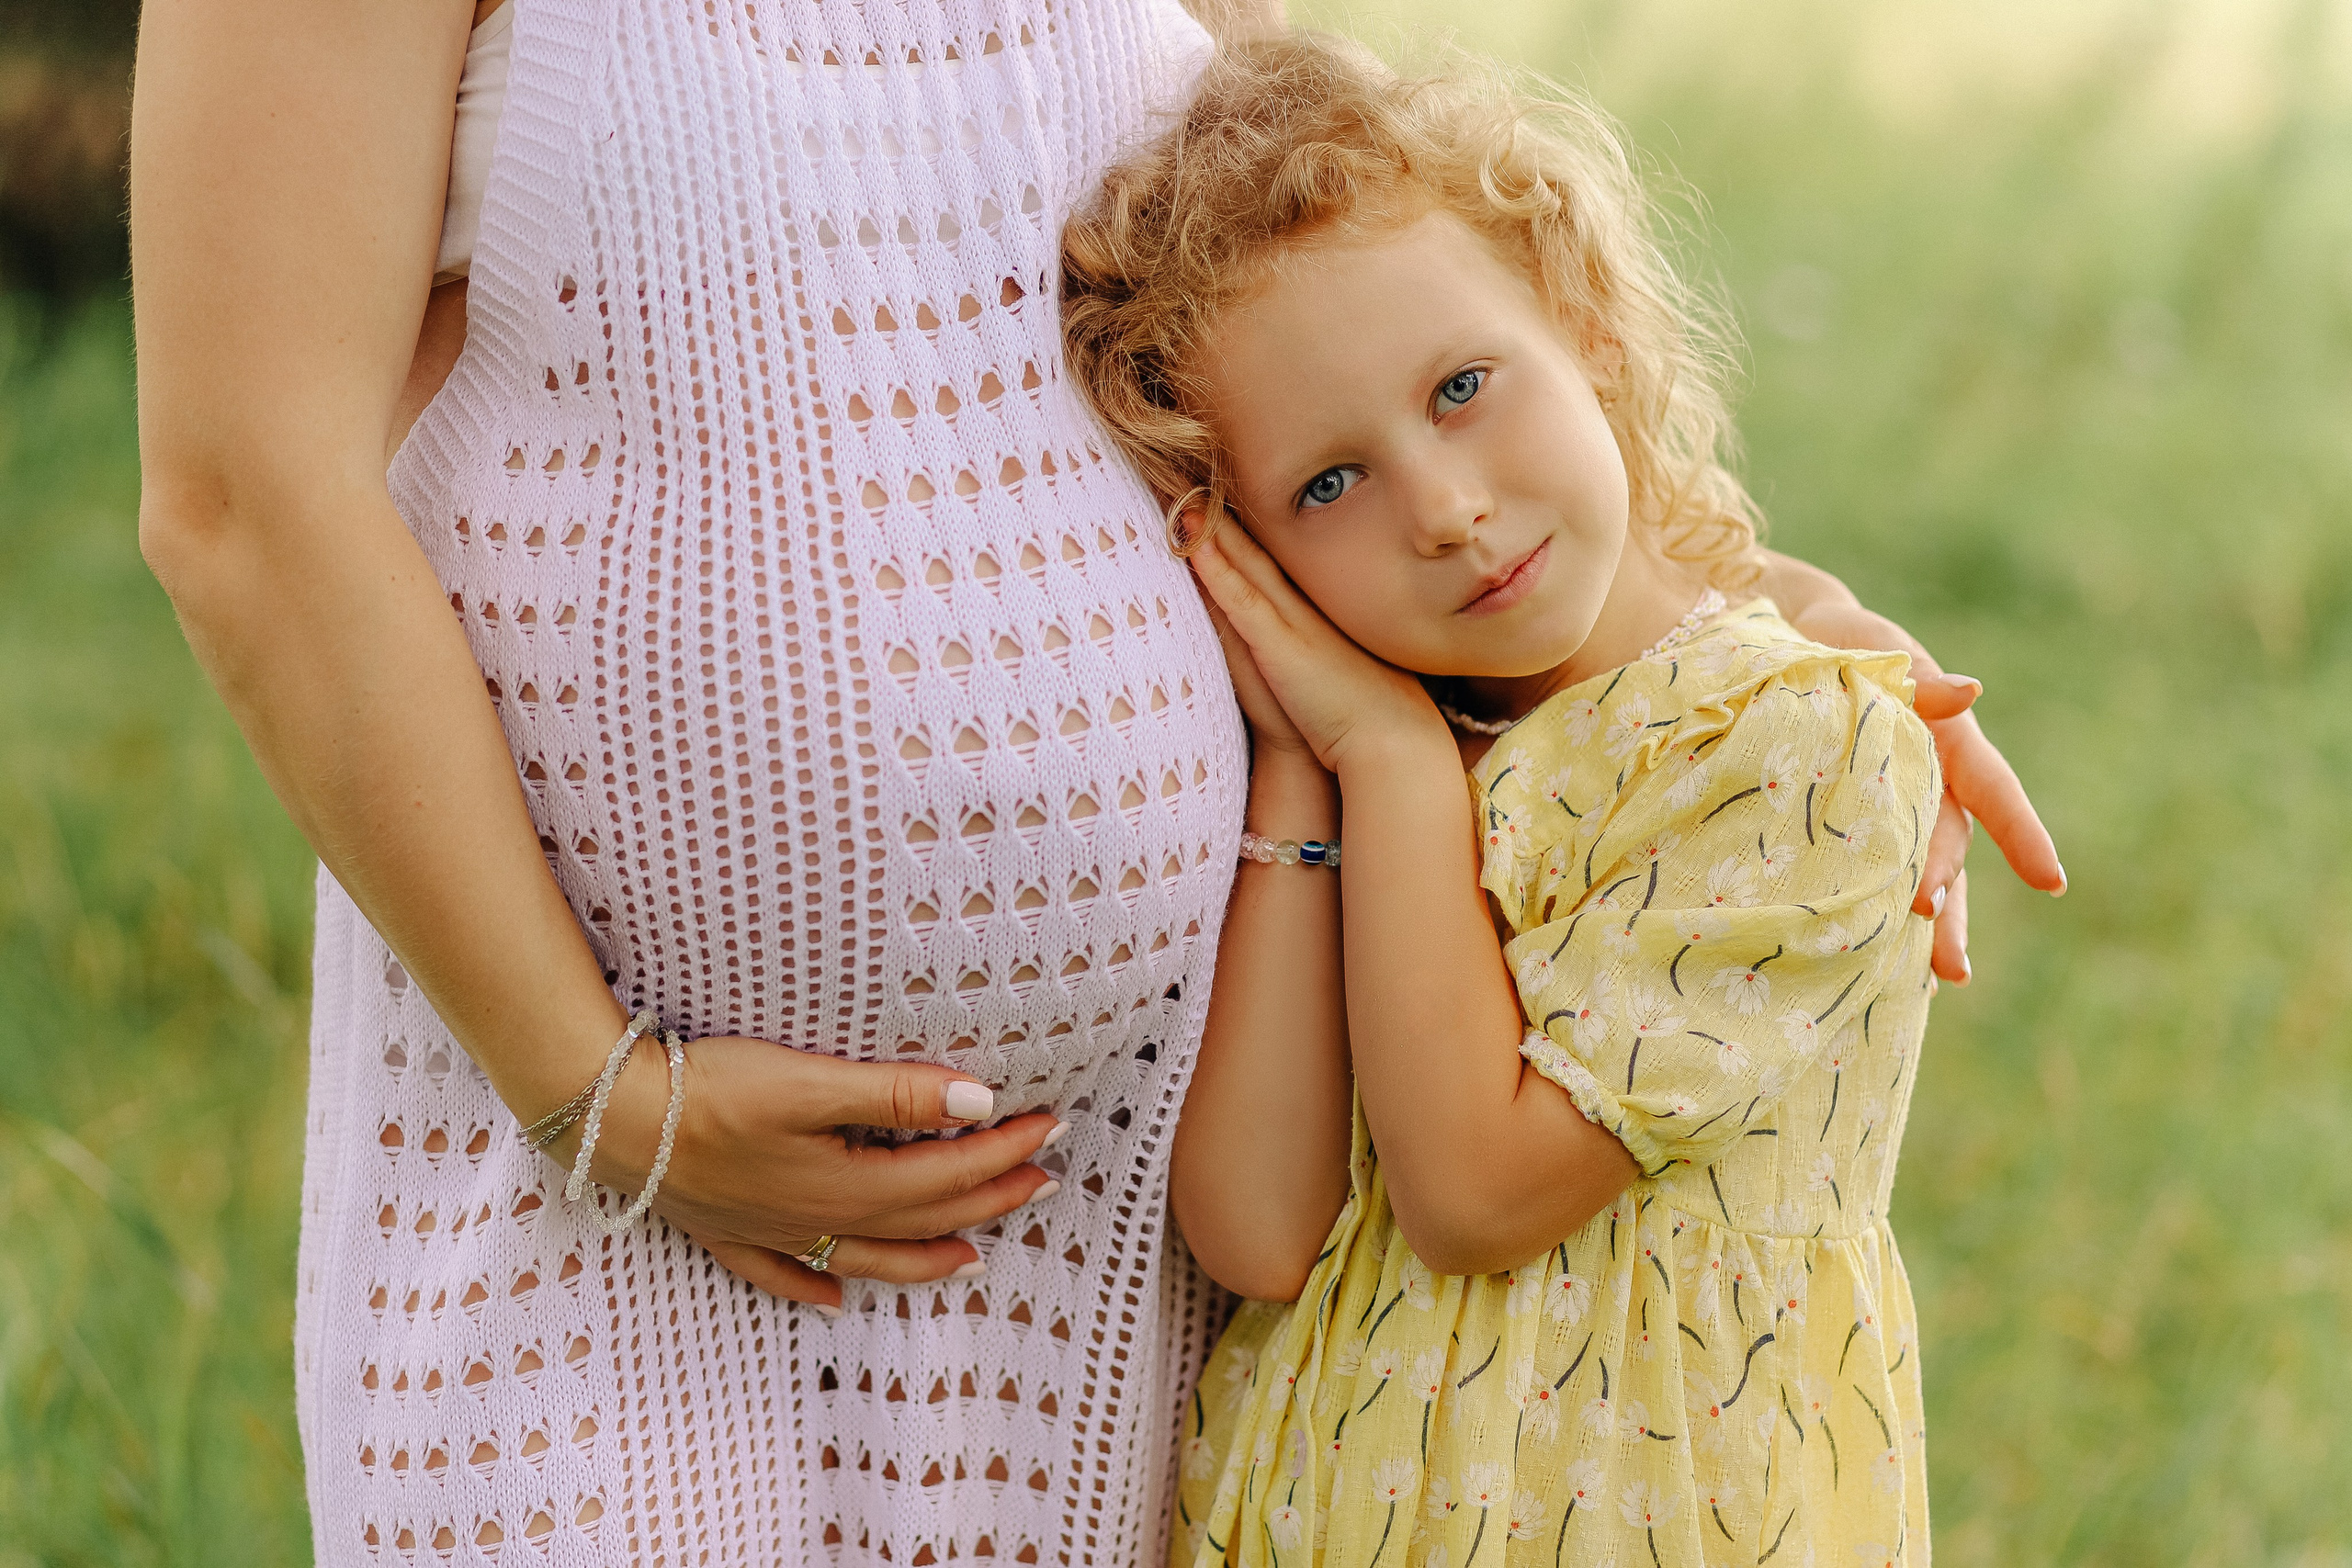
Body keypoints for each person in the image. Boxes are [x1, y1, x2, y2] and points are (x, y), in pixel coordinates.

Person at [128, 1, 2052, 1562]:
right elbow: (240, 493)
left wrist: (1777, 632)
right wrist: (595, 1087)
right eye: (1335, 488)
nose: (1437, 498)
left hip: (1119, 1271)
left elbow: (1354, 263)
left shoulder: (1558, 699)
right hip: (626, 1230)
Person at [1061, 35, 2050, 1565]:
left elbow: (1472, 1191)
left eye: (1462, 387)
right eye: (1330, 487)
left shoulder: (1795, 750)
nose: (1446, 510)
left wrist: (1387, 765)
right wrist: (1301, 764)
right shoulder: (1378, 763)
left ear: (1578, 317)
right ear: (1249, 555)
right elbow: (1258, 1232)